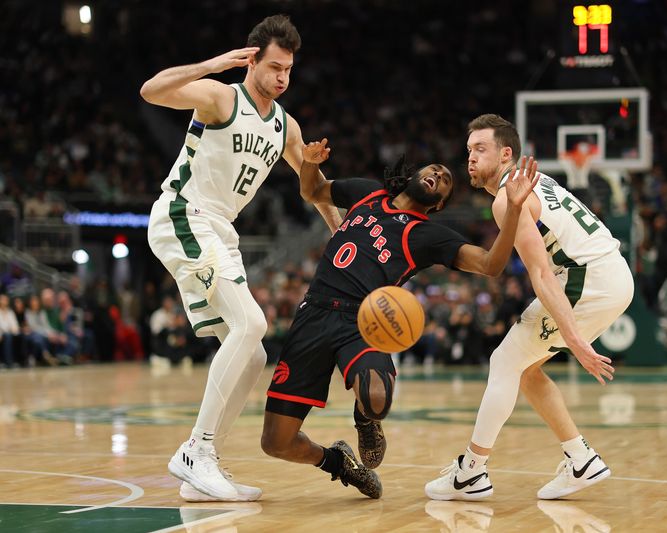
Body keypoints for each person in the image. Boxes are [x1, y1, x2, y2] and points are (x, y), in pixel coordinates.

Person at [259, 139, 538, 498]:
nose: (439, 173)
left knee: (377, 398)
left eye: (447, 181)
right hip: (313, 313)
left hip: (363, 321)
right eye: (434, 168)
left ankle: (365, 418)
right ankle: (337, 462)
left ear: (437, 204)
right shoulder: (367, 193)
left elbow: (490, 264)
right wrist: (310, 164)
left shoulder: (428, 235)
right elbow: (312, 190)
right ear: (413, 174)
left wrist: (513, 211)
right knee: (275, 443)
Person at [141, 14, 341, 502]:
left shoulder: (285, 125)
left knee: (253, 352)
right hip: (185, 213)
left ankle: (201, 469)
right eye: (274, 67)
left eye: (288, 70)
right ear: (251, 59)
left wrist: (343, 232)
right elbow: (150, 90)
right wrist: (210, 65)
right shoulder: (220, 97)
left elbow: (312, 191)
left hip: (219, 231)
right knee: (251, 324)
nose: (281, 78)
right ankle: (196, 450)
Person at [425, 114, 634, 501]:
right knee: (525, 370)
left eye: (481, 149)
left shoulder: (509, 199)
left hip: (589, 278)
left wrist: (575, 340)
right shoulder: (536, 183)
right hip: (608, 273)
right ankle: (580, 460)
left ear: (506, 153)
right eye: (469, 150)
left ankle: (471, 472)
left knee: (504, 362)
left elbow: (540, 273)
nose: (470, 157)